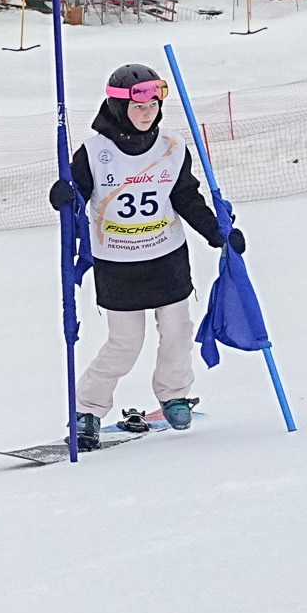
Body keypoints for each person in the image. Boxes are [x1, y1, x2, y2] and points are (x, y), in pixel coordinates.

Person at [47, 62, 244, 448]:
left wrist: (218, 234)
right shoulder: (94, 151)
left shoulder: (171, 147)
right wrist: (64, 196)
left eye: (153, 106)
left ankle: (174, 394)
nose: (147, 113)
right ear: (119, 107)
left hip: (166, 258)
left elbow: (186, 196)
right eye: (138, 107)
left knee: (177, 332)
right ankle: (87, 409)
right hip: (117, 263)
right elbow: (76, 200)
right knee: (124, 344)